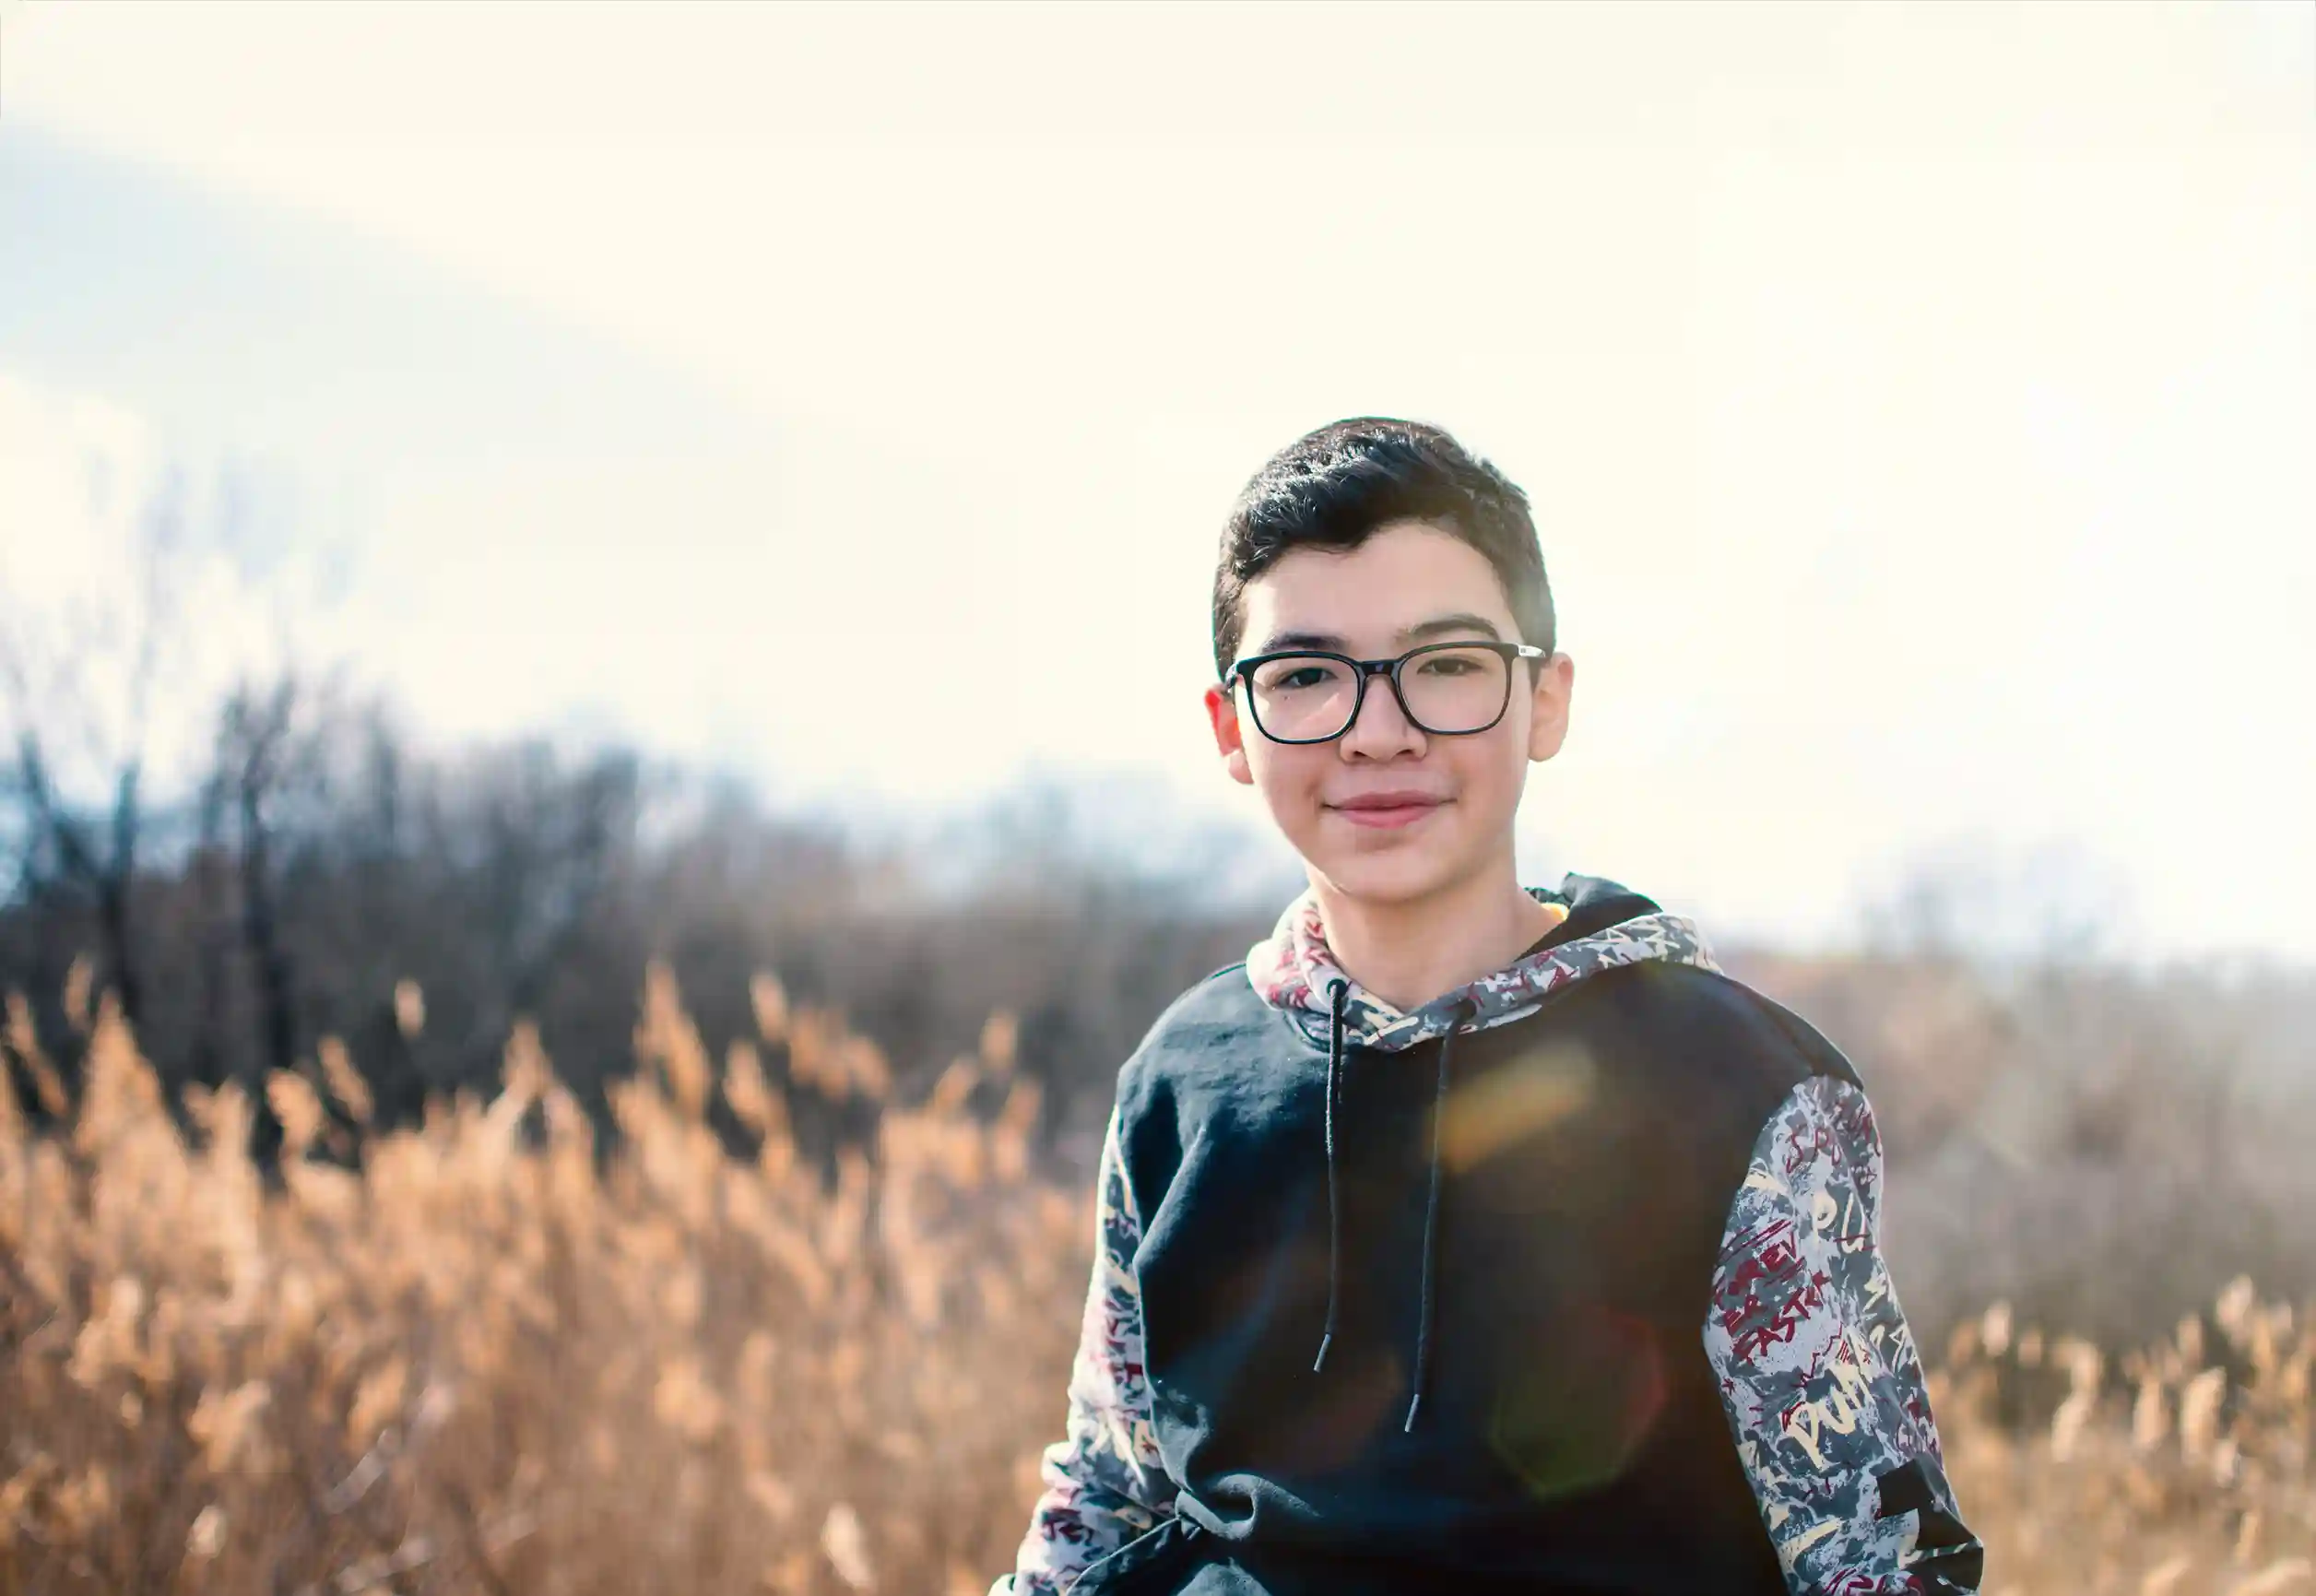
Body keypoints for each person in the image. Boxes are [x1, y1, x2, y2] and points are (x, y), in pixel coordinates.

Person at [990, 419, 1981, 1596]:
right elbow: (1105, 1505)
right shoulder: (1184, 1080)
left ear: (1543, 700)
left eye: (1445, 664)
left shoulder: (1737, 1089)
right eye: (1304, 676)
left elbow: (1882, 1565)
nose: (1375, 731)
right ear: (1232, 733)